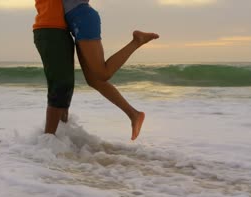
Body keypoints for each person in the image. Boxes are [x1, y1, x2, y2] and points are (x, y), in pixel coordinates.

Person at [63, 0, 159, 140]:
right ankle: (134, 114)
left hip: (82, 18)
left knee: (103, 73)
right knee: (94, 80)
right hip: (76, 20)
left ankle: (137, 41)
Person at [33, 0, 75, 134]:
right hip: (50, 29)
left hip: (61, 30)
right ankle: (49, 139)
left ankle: (62, 135)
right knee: (60, 85)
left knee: (66, 85)